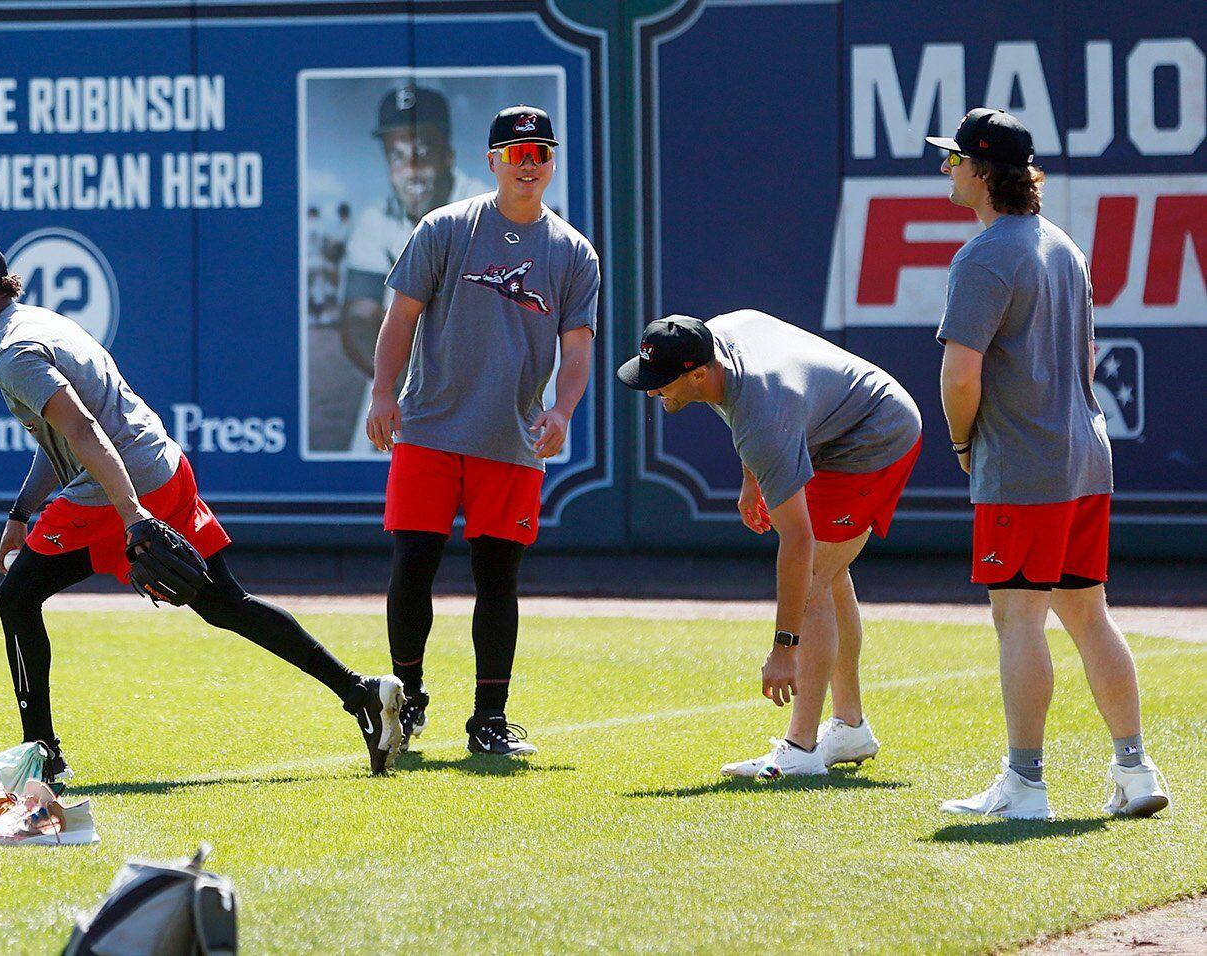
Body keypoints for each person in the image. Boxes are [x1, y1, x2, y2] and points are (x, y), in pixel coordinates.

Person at [0, 237, 405, 778]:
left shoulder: (15, 353)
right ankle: (363, 694)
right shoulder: (38, 325)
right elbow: (65, 441)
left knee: (17, 597)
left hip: (119, 487)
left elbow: (82, 430)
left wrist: (131, 515)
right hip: (160, 466)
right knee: (224, 604)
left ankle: (41, 755)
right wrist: (22, 512)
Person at [929, 108, 1169, 819]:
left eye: (952, 160)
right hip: (1084, 458)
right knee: (1089, 615)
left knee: (1019, 619)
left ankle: (1026, 785)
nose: (946, 171)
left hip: (1024, 467)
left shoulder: (982, 256)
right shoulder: (1062, 244)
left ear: (981, 171)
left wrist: (962, 442)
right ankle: (1136, 771)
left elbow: (960, 377)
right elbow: (1086, 359)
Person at [366, 105, 598, 758]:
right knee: (413, 566)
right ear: (493, 161)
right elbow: (400, 318)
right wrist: (385, 392)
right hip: (431, 430)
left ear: (552, 163)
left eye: (540, 154)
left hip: (512, 439)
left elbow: (577, 349)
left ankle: (488, 720)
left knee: (499, 578)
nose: (528, 165)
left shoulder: (573, 252)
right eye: (516, 154)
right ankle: (403, 703)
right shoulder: (446, 227)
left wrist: (562, 410)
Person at [620, 313, 921, 778]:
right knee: (830, 572)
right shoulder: (717, 339)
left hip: (873, 434)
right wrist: (753, 477)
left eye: (662, 382)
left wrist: (785, 647)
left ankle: (800, 750)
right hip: (825, 423)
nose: (652, 391)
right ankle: (850, 725)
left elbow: (796, 540)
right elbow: (752, 412)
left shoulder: (762, 418)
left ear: (699, 373)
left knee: (816, 578)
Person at [331, 84, 488, 452]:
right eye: (398, 157)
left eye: (423, 153)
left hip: (486, 394)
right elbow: (357, 319)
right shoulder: (376, 219)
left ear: (448, 156)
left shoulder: (486, 211)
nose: (411, 171)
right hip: (402, 390)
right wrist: (408, 387)